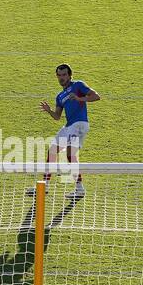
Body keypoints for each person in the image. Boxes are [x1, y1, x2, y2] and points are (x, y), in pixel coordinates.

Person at [35, 63, 98, 200]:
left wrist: (80, 98)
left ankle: (79, 188)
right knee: (52, 150)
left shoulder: (78, 85)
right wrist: (49, 110)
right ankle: (44, 185)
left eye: (64, 75)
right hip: (68, 127)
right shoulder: (60, 96)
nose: (62, 77)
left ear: (70, 75)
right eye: (59, 75)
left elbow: (96, 96)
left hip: (79, 125)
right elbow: (57, 117)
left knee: (70, 153)